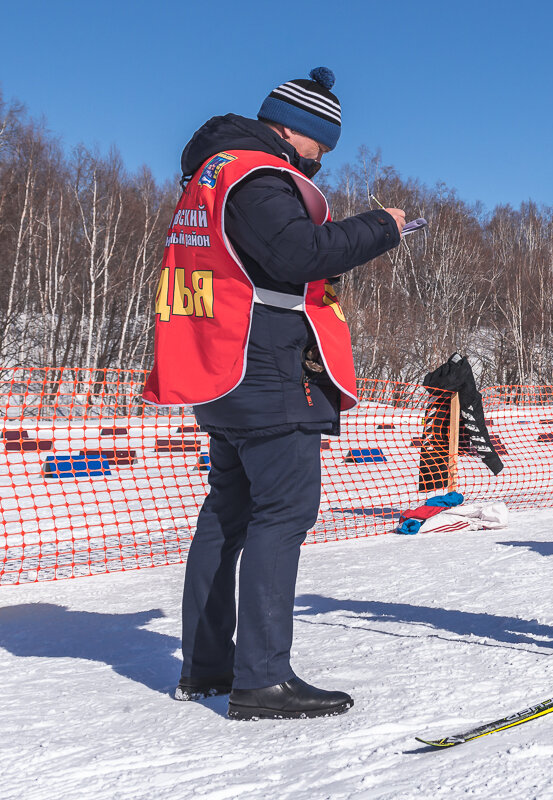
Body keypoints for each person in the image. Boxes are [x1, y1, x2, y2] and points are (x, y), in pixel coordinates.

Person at [142, 68, 406, 720]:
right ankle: (261, 678)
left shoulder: (212, 173)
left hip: (219, 364)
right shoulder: (258, 174)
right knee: (283, 512)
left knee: (228, 512)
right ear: (295, 130)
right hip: (261, 366)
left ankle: (208, 665)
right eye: (324, 145)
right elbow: (293, 254)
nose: (321, 159)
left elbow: (265, 260)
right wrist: (380, 227)